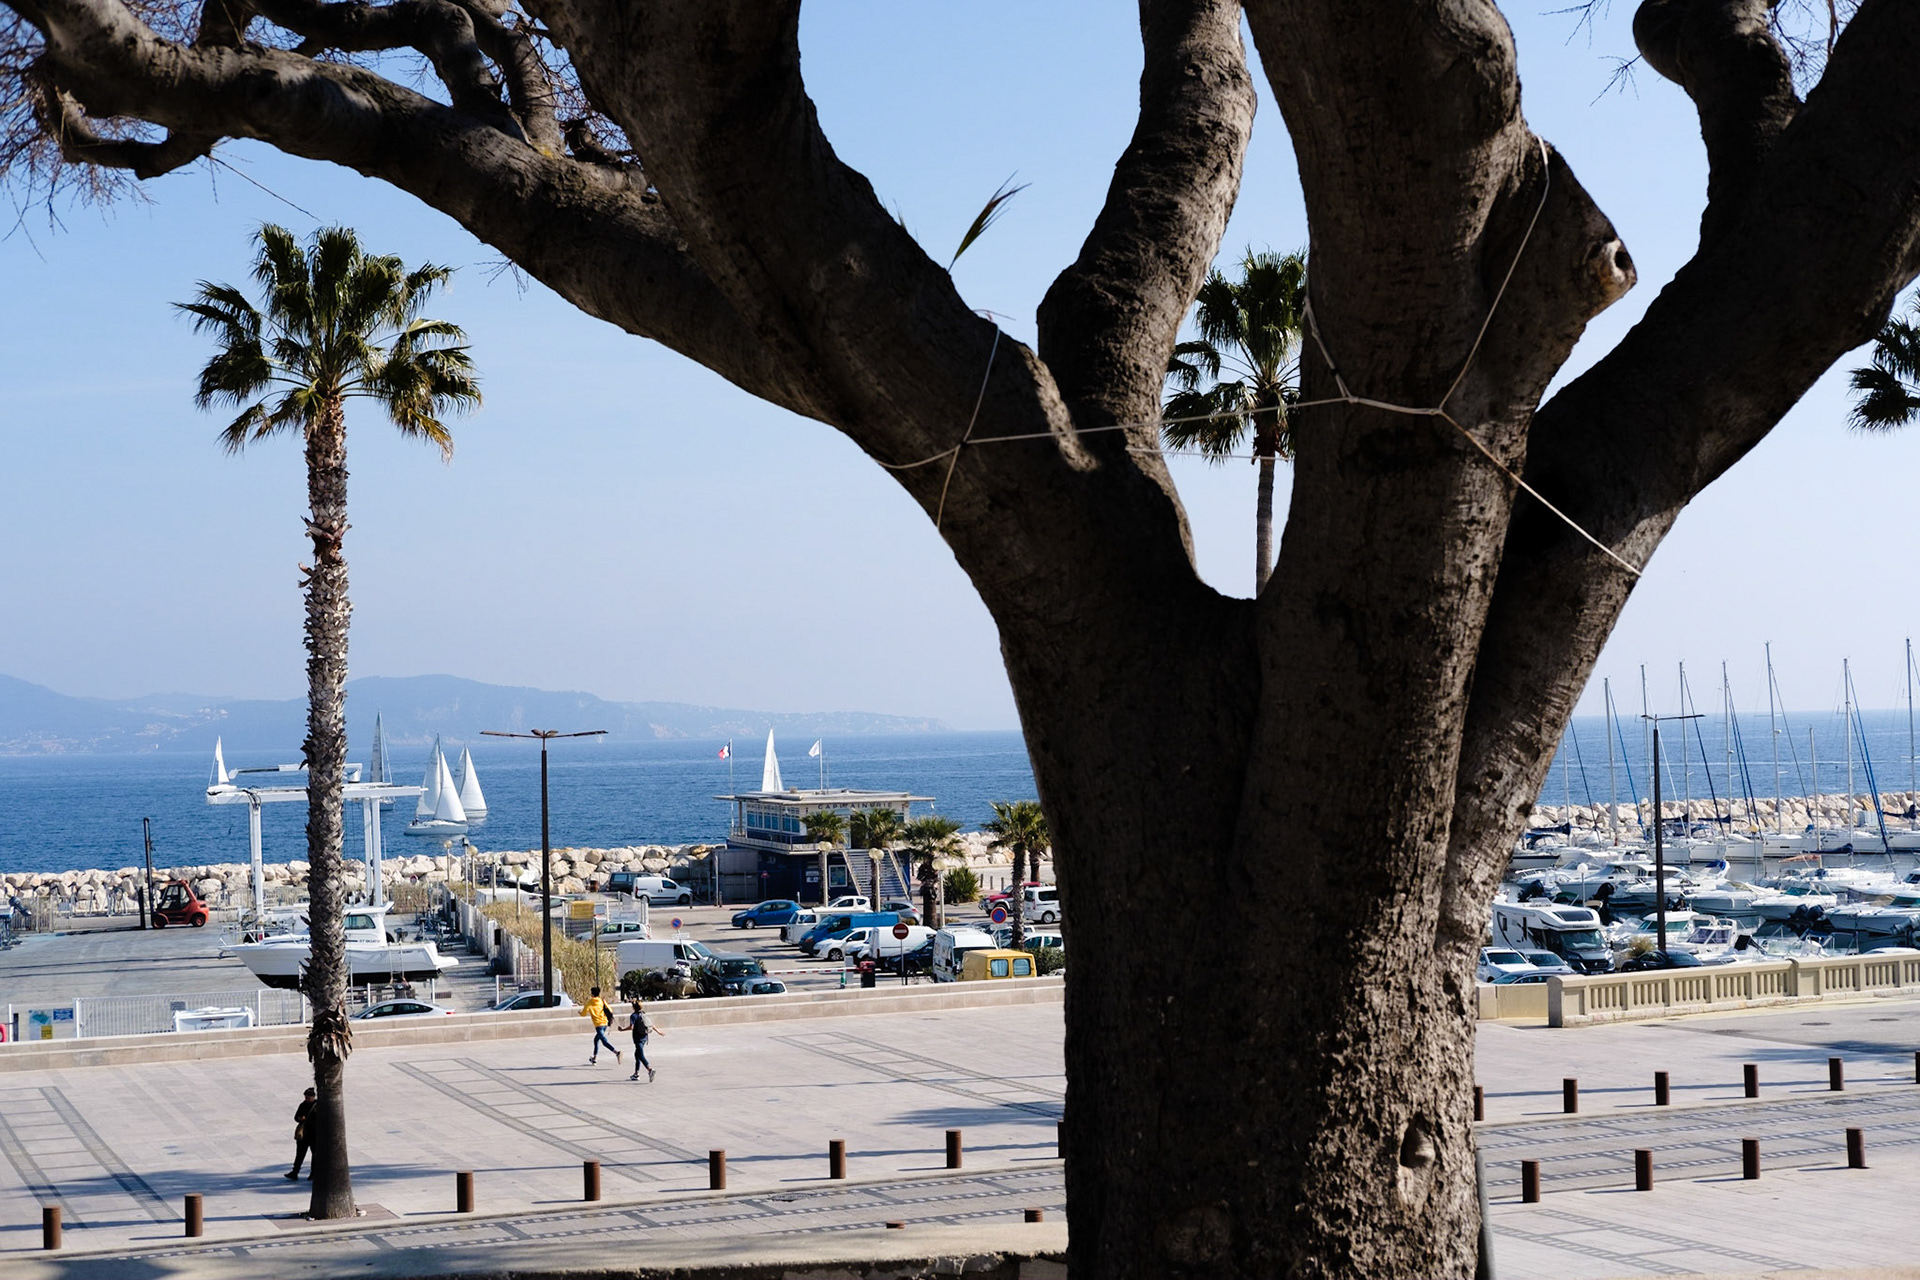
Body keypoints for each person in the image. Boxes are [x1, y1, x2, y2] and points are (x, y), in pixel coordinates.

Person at [619, 997, 664, 1082]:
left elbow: (631, 1027)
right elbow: (651, 1024)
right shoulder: (643, 1014)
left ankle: (650, 1069)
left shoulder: (633, 1016)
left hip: (638, 1039)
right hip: (644, 1038)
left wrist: (622, 1030)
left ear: (633, 1007)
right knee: (637, 1055)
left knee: (640, 1055)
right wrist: (658, 1031)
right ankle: (636, 1074)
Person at [578, 986, 620, 1065]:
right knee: (596, 1039)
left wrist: (580, 1012)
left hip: (598, 1025)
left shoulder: (590, 1002)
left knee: (604, 1042)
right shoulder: (601, 1001)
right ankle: (594, 1058)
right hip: (604, 1023)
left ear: (592, 994)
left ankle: (616, 1052)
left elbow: (583, 1014)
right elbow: (610, 1010)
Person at [286, 1087, 316, 1179]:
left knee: (315, 1155)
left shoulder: (318, 1106)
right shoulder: (302, 1105)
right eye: (305, 1097)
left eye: (308, 1097)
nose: (306, 1099)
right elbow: (296, 1117)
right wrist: (300, 1118)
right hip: (303, 1135)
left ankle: (313, 1173)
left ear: (313, 1097)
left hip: (314, 1135)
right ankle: (295, 1172)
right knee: (299, 1154)